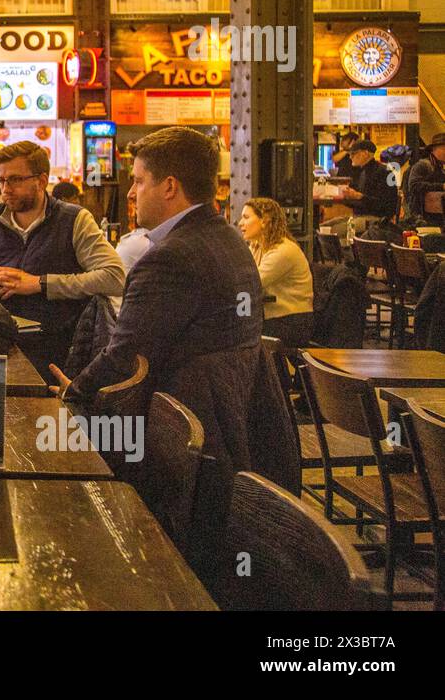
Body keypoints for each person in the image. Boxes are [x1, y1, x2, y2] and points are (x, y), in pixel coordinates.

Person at [48, 127, 297, 578]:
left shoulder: (170, 257)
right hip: (222, 435)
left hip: (178, 446)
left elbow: (126, 354)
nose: (131, 193)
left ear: (169, 187)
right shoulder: (228, 239)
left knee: (50, 455)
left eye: (138, 180)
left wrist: (72, 394)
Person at [0, 140, 125, 379]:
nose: (5, 189)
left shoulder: (74, 220)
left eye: (15, 180)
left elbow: (114, 277)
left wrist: (40, 283)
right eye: (2, 180)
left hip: (56, 351)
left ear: (41, 181)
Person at [238, 197, 314, 348]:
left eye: (246, 217)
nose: (240, 223)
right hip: (272, 318)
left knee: (235, 334)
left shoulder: (283, 251)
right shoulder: (257, 246)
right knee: (235, 324)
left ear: (264, 221)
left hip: (291, 322)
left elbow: (250, 283)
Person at [339, 139, 398, 238]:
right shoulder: (360, 172)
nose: (350, 157)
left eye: (353, 153)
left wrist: (360, 197)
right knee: (325, 226)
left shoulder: (385, 172)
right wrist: (348, 196)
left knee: (333, 230)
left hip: (377, 221)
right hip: (360, 217)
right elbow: (356, 202)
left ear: (365, 153)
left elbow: (388, 206)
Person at [407, 131, 445, 223]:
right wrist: (441, 186)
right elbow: (414, 186)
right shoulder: (423, 165)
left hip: (440, 216)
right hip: (425, 218)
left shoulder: (441, 166)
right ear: (434, 149)